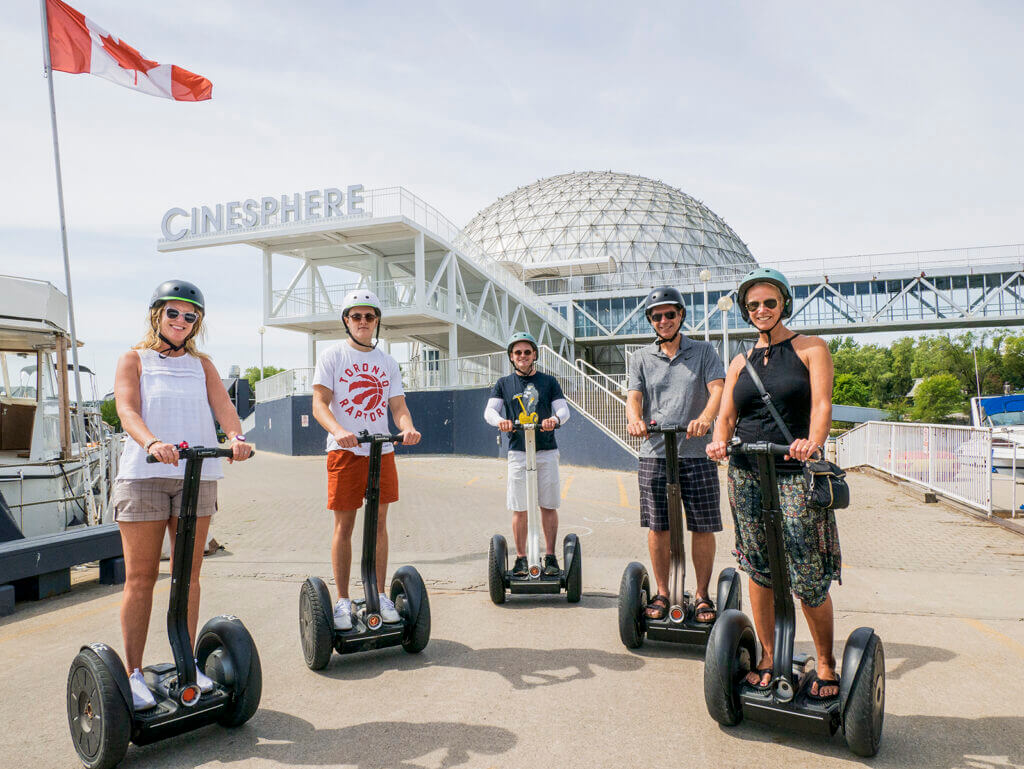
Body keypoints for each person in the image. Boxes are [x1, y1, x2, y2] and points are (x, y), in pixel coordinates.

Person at [113, 280, 253, 710]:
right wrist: (152, 442)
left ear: (198, 324)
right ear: (157, 315)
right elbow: (127, 408)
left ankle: (187, 662)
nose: (180, 321)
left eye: (189, 316)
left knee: (187, 578)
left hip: (197, 472)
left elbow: (224, 408)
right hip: (145, 475)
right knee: (140, 580)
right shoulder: (134, 359)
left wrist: (235, 436)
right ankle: (134, 673)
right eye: (173, 313)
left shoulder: (202, 365)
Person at [706, 267, 841, 700]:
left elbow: (822, 405)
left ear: (783, 303)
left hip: (792, 472)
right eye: (753, 305)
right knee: (758, 568)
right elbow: (727, 415)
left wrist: (813, 445)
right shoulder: (739, 361)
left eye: (769, 302)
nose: (761, 310)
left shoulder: (811, 348)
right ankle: (768, 655)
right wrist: (718, 441)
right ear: (746, 312)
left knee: (806, 571)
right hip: (746, 472)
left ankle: (824, 661)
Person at [312, 289, 421, 631]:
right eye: (356, 316)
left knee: (379, 524)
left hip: (381, 450)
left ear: (376, 322)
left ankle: (378, 593)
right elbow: (319, 404)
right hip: (345, 451)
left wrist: (407, 428)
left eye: (369, 317)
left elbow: (398, 407)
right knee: (344, 526)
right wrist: (338, 429)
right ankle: (343, 600)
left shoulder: (386, 362)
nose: (362, 322)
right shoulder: (333, 356)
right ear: (346, 320)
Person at [626, 286, 725, 623]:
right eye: (657, 316)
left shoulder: (703, 351)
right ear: (651, 321)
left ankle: (701, 595)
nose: (664, 320)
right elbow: (634, 397)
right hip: (654, 452)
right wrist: (635, 421)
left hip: (696, 452)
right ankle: (663, 592)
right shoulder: (640, 357)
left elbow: (718, 390)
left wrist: (705, 419)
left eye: (670, 314)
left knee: (702, 525)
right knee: (658, 527)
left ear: (681, 316)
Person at [484, 332, 571, 576]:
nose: (522, 356)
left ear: (534, 355)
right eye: (518, 352)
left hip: (546, 450)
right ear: (512, 357)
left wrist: (554, 419)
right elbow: (489, 412)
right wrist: (501, 421)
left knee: (548, 505)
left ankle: (551, 557)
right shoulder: (504, 383)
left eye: (527, 352)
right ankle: (521, 559)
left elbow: (564, 410)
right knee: (520, 508)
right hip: (518, 452)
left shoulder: (549, 382)